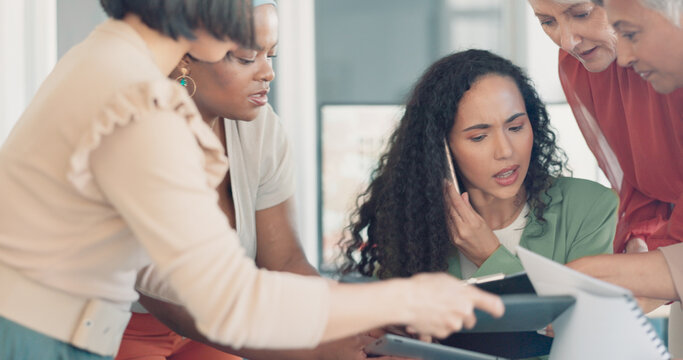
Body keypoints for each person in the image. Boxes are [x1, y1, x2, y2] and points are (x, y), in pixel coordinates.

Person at [0, 1, 505, 359]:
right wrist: (409, 297)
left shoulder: (107, 62)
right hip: (39, 338)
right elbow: (226, 304)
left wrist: (353, 315)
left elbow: (167, 273)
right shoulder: (138, 103)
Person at [116, 2, 405, 359]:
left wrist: (354, 317)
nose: (268, 73)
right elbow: (168, 298)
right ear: (184, 57)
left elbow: (283, 261)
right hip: (113, 323)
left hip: (217, 321)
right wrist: (309, 345)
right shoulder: (132, 135)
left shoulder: (260, 126)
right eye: (247, 57)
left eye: (272, 55)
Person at [340, 49, 616, 288]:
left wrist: (489, 255)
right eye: (479, 137)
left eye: (516, 127)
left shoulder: (592, 208)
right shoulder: (413, 226)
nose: (506, 151)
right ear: (441, 149)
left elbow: (576, 328)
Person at [527, 0, 683, 354]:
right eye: (547, 22)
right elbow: (634, 173)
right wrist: (642, 247)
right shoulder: (580, 66)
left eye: (581, 14)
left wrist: (641, 273)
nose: (567, 41)